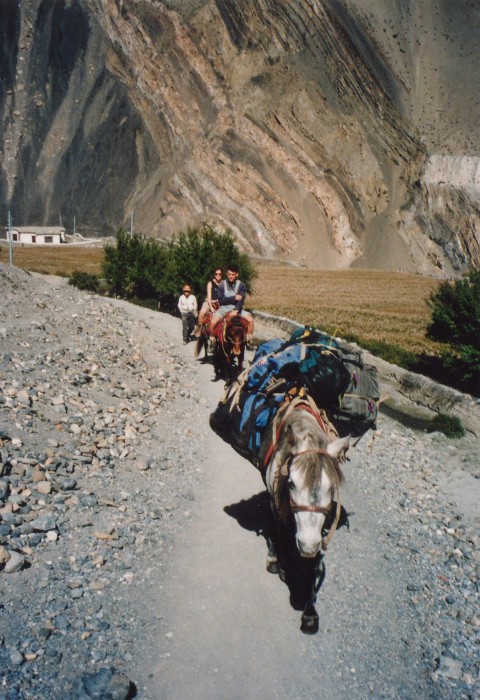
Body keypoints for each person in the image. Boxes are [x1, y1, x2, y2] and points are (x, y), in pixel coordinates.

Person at [209, 263, 254, 338]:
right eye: (229, 274)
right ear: (227, 274)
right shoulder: (222, 285)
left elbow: (241, 300)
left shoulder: (241, 285)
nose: (230, 276)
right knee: (213, 322)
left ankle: (248, 340)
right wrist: (234, 298)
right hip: (224, 308)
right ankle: (212, 340)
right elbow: (221, 301)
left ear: (237, 274)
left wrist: (236, 310)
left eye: (233, 274)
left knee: (251, 320)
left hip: (237, 308)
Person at [195, 268, 223, 334]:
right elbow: (209, 296)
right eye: (216, 274)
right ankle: (199, 327)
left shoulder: (223, 283)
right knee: (202, 312)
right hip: (210, 301)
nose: (218, 275)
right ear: (214, 274)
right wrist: (211, 307)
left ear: (222, 275)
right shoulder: (210, 283)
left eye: (219, 274)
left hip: (220, 302)